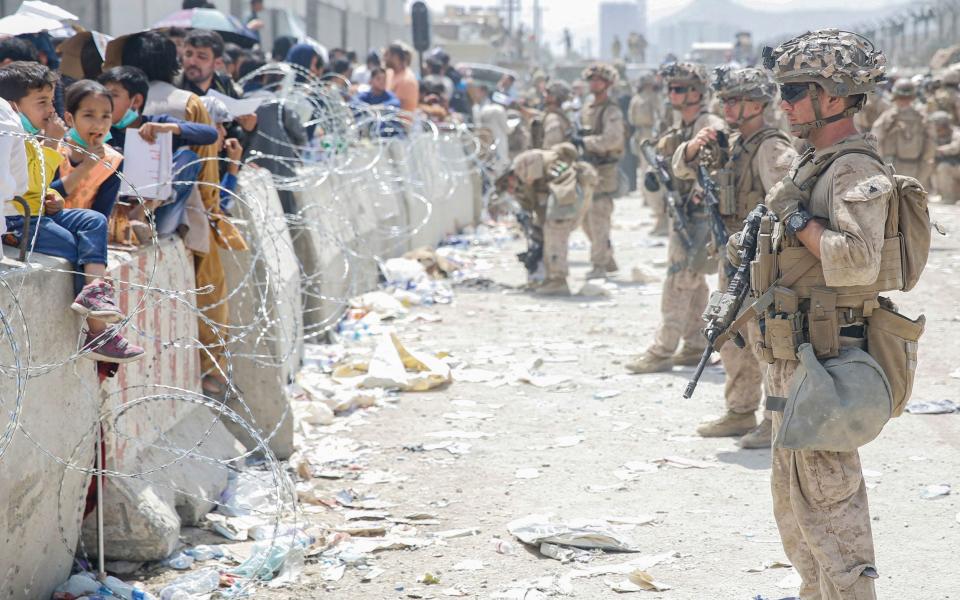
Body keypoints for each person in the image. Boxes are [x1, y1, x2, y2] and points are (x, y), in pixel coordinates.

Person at [751, 29, 910, 599]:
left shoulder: (851, 168)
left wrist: (796, 221)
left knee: (830, 508)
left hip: (826, 357)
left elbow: (858, 260)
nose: (784, 104)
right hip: (791, 356)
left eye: (796, 91)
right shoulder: (813, 162)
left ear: (835, 97)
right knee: (795, 513)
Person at [671, 67, 796, 447]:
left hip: (761, 265)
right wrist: (694, 147)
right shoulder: (733, 141)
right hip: (733, 259)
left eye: (734, 100)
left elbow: (790, 199)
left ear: (757, 104)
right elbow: (681, 166)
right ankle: (741, 411)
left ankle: (777, 420)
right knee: (731, 339)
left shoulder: (770, 147)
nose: (725, 106)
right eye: (723, 99)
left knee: (767, 346)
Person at [121, 30, 246, 398]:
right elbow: (205, 171)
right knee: (211, 297)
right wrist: (214, 213)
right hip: (186, 215)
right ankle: (213, 374)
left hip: (132, 211)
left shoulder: (120, 96)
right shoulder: (187, 102)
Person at [0, 61, 144, 363]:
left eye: (51, 101)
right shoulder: (13, 135)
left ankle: (94, 294)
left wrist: (54, 197)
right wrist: (52, 144)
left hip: (39, 210)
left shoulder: (32, 137)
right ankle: (98, 330)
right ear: (15, 105)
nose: (49, 110)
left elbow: (40, 188)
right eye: (41, 103)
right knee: (70, 245)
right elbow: (24, 184)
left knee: (93, 220)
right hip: (18, 219)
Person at [625, 62, 725, 374]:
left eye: (679, 88)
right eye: (670, 88)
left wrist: (697, 188)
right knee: (693, 282)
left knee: (679, 279)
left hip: (701, 214)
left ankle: (662, 349)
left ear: (697, 92)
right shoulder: (680, 125)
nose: (672, 94)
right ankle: (695, 343)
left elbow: (720, 167)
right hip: (683, 211)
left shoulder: (709, 125)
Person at [99, 66, 219, 237]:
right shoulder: (104, 131)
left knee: (188, 158)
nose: (106, 102)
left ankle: (144, 209)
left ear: (136, 101)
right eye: (104, 95)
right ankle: (133, 216)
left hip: (158, 217)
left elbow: (210, 134)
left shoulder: (157, 124)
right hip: (115, 213)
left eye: (113, 95)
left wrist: (169, 128)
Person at [502, 143, 597, 295]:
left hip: (566, 192)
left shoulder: (524, 164)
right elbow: (536, 205)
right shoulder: (527, 174)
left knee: (554, 230)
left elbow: (538, 190)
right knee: (547, 230)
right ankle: (550, 277)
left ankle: (558, 280)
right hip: (565, 193)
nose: (512, 190)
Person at [573, 62, 625, 280]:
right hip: (586, 169)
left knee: (598, 216)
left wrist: (586, 142)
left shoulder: (611, 110)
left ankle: (599, 264)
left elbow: (613, 139)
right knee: (585, 219)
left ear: (608, 84)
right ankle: (606, 256)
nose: (593, 84)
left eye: (598, 80)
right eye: (591, 80)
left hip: (604, 170)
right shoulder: (588, 107)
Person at [53, 81, 124, 219]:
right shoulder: (52, 148)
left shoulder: (112, 161)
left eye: (105, 116)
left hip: (84, 233)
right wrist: (85, 167)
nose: (99, 125)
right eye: (89, 115)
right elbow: (45, 198)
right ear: (69, 118)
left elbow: (101, 215)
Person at [871, 79, 935, 188]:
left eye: (906, 98)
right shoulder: (889, 117)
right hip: (898, 166)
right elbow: (875, 140)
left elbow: (875, 140)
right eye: (902, 98)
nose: (904, 101)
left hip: (910, 166)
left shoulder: (920, 117)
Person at [629, 74, 667, 235]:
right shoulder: (637, 99)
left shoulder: (654, 98)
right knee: (644, 172)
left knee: (651, 173)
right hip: (641, 135)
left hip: (651, 136)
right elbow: (631, 118)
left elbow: (661, 117)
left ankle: (661, 216)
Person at [931, 109, 960, 204]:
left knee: (943, 167)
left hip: (956, 165)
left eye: (938, 125)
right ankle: (937, 193)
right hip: (947, 165)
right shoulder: (935, 134)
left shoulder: (956, 133)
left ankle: (949, 198)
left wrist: (939, 150)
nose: (937, 128)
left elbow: (955, 148)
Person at [384, 42, 418, 113]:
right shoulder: (389, 73)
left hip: (399, 122)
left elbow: (397, 108)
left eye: (387, 55)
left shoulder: (407, 80)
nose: (384, 58)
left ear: (395, 57)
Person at [539, 81, 572, 149]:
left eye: (548, 93)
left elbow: (549, 149)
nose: (545, 95)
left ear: (554, 97)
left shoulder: (553, 119)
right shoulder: (557, 115)